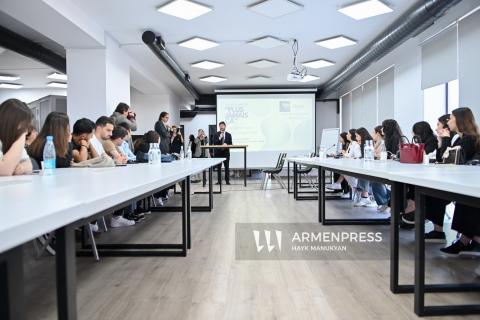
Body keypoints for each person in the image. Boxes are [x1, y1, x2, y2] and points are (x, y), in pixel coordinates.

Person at [438, 107, 480, 255]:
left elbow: (452, 159)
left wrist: (446, 139)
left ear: (459, 120)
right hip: (468, 181)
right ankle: (464, 240)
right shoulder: (464, 138)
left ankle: (467, 240)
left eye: (451, 118)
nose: (448, 121)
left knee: (466, 203)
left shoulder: (469, 138)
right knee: (463, 202)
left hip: (472, 183)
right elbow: (445, 158)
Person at [0, 98, 34, 176]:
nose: (27, 129)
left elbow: (29, 164)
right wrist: (22, 134)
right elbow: (4, 170)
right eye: (24, 124)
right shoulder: (18, 139)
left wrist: (22, 167)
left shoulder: (13, 140)